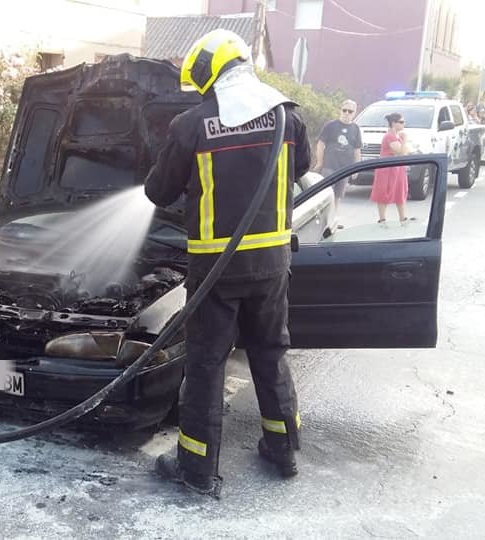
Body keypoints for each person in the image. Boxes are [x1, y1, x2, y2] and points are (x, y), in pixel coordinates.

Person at [143, 29, 310, 497]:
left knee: (206, 365)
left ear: (208, 71)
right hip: (273, 264)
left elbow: (159, 192)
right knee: (270, 353)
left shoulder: (192, 124)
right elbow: (298, 171)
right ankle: (282, 451)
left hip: (217, 269)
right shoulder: (287, 117)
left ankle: (196, 470)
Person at [313, 99, 362, 205]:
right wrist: (319, 162)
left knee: (337, 196)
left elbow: (357, 149)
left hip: (345, 168)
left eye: (350, 111)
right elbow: (320, 144)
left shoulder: (356, 128)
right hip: (329, 166)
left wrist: (356, 168)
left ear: (355, 113)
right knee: (326, 194)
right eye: (344, 110)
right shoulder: (331, 125)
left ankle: (333, 217)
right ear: (340, 110)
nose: (346, 113)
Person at [370, 112, 412, 225]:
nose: (404, 124)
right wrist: (405, 140)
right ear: (394, 123)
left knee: (400, 191)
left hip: (398, 168)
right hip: (387, 169)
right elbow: (400, 151)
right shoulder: (390, 136)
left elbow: (407, 151)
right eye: (401, 122)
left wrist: (403, 142)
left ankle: (403, 218)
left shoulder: (397, 136)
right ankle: (382, 219)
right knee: (384, 192)